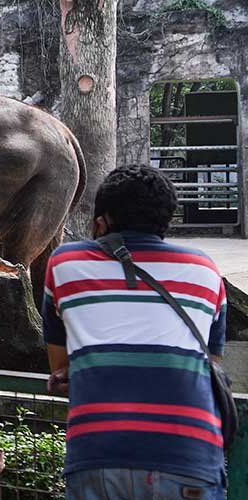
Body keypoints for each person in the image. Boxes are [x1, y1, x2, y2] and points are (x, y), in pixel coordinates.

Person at [42, 165, 228, 500]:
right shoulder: (205, 268)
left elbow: (60, 369)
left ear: (103, 221)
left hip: (98, 454)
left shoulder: (64, 263)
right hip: (189, 456)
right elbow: (209, 362)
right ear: (167, 222)